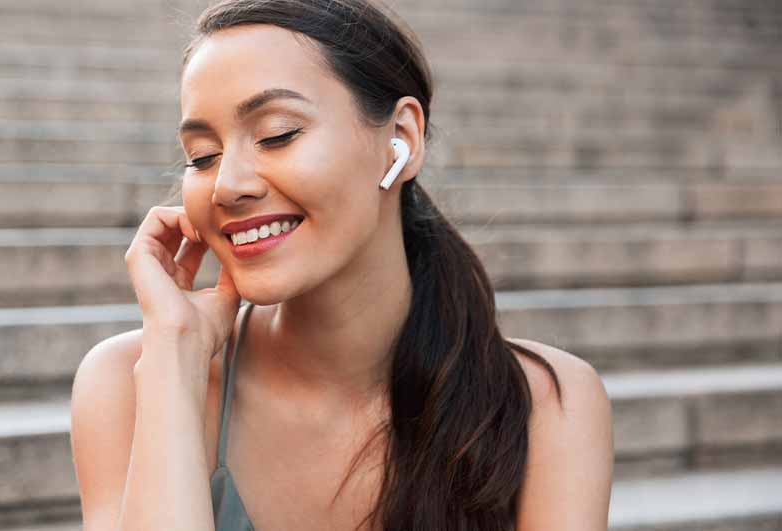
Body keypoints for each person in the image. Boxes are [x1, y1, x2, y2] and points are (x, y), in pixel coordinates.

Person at [70, 0, 614, 529]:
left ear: (400, 139)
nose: (227, 185)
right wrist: (174, 358)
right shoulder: (130, 380)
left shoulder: (546, 403)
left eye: (277, 134)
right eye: (202, 156)